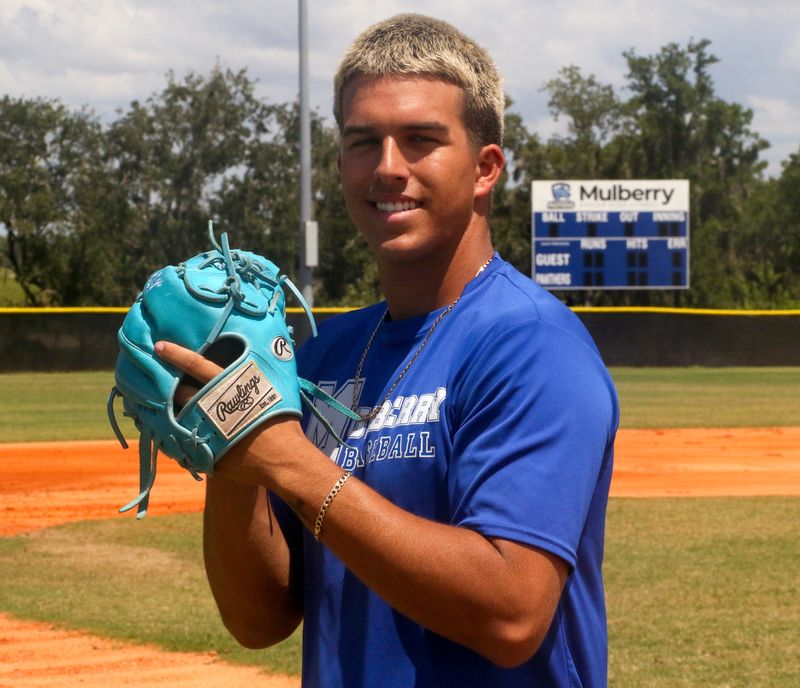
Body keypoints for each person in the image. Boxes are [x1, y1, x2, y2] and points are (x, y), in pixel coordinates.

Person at [157, 13, 619, 687]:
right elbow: (258, 619)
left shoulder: (531, 344)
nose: (388, 168)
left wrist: (294, 466)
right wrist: (234, 454)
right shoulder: (325, 354)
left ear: (485, 168)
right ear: (340, 163)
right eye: (363, 142)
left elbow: (511, 615)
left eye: (421, 140)